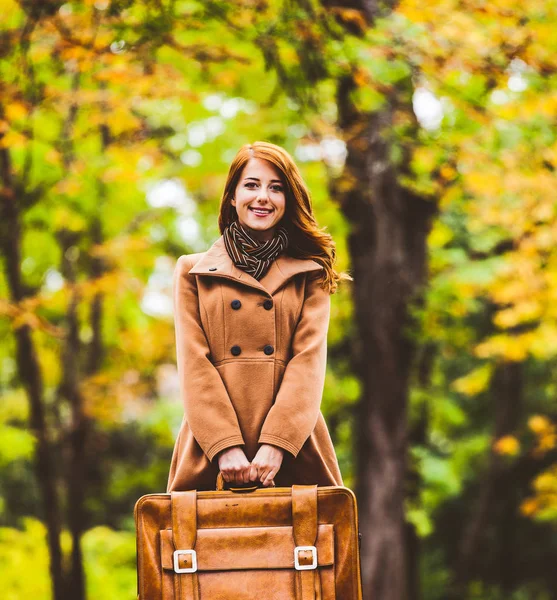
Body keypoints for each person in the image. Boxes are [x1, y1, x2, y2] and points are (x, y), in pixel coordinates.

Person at [166, 141, 350, 492]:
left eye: (276, 188)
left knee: (313, 541)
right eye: (251, 185)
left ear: (288, 200)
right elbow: (194, 363)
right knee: (196, 543)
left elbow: (307, 363)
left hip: (295, 446)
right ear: (233, 196)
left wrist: (277, 444)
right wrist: (224, 447)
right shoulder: (192, 272)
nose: (263, 196)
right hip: (210, 447)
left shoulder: (310, 274)